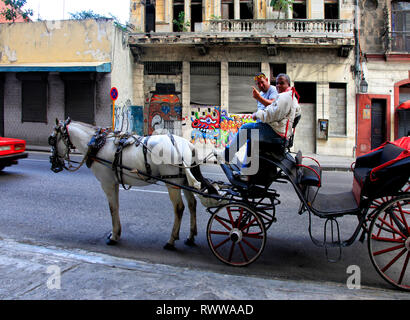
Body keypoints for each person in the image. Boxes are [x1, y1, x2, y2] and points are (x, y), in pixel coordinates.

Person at [214, 73, 301, 178]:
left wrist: (257, 115)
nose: (278, 86)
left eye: (282, 83)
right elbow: (292, 114)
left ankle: (227, 155)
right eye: (277, 83)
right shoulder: (289, 96)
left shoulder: (284, 97)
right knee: (251, 138)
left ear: (288, 84)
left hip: (276, 133)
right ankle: (247, 172)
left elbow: (271, 114)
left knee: (244, 129)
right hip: (278, 131)